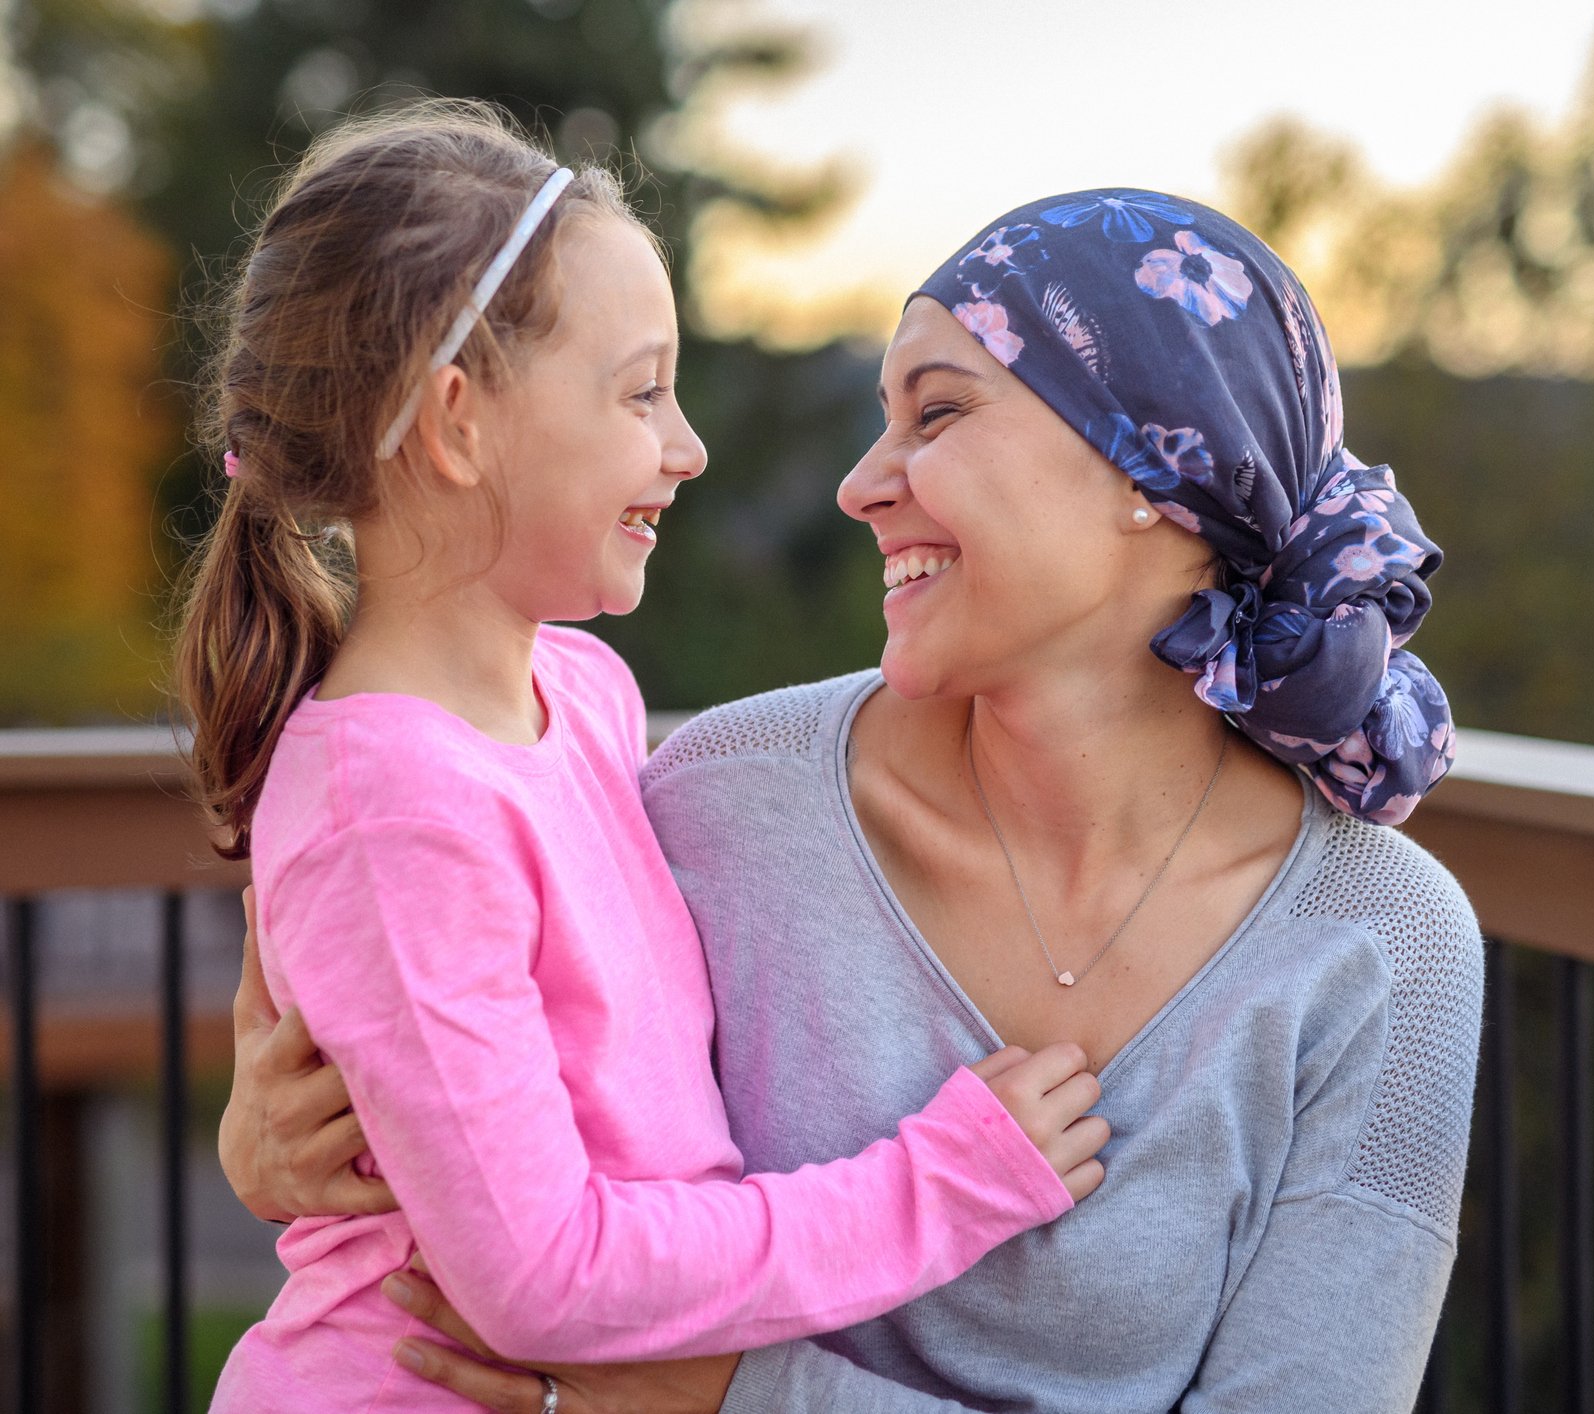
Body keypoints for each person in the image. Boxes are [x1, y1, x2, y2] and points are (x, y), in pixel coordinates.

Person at [223, 188, 1485, 1413]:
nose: (860, 481)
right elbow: (418, 956)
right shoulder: (717, 800)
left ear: (1151, 472)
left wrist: (731, 1398)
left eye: (936, 413)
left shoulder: (1387, 950)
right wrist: (265, 1140)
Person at [177, 108, 1109, 1411]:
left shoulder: (582, 692)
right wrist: (937, 1184)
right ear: (457, 424)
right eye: (638, 391)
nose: (687, 445)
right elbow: (540, 1274)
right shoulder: (392, 812)